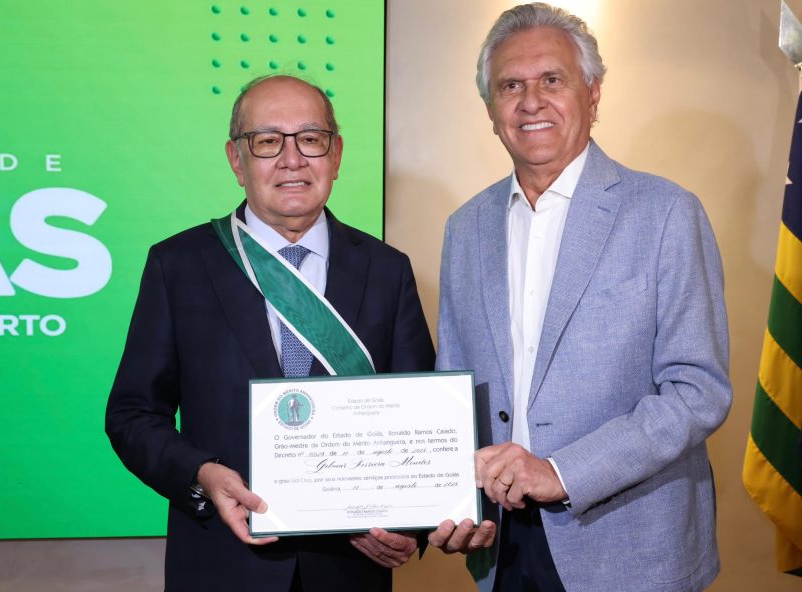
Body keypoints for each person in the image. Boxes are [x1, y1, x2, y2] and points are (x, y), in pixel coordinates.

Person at [428, 4, 732, 591]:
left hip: (631, 549)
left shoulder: (666, 213)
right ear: (490, 110)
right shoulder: (464, 228)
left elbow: (698, 392)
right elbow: (454, 386)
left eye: (552, 80)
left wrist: (561, 472)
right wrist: (451, 497)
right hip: (502, 546)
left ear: (593, 95)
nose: (530, 101)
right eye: (510, 85)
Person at [105, 74, 435, 592]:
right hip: (222, 566)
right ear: (237, 160)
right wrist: (201, 474)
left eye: (310, 138)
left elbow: (422, 416)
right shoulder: (179, 265)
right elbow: (131, 415)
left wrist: (409, 527)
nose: (292, 159)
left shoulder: (387, 270)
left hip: (351, 573)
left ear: (337, 153)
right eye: (266, 142)